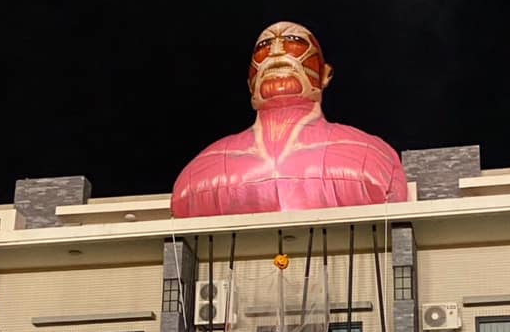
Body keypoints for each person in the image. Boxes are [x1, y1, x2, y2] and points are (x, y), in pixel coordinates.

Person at [171, 21, 408, 217]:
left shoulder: (370, 154)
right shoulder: (199, 172)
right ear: (250, 82)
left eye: (293, 42)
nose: (276, 52)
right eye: (264, 47)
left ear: (325, 75)